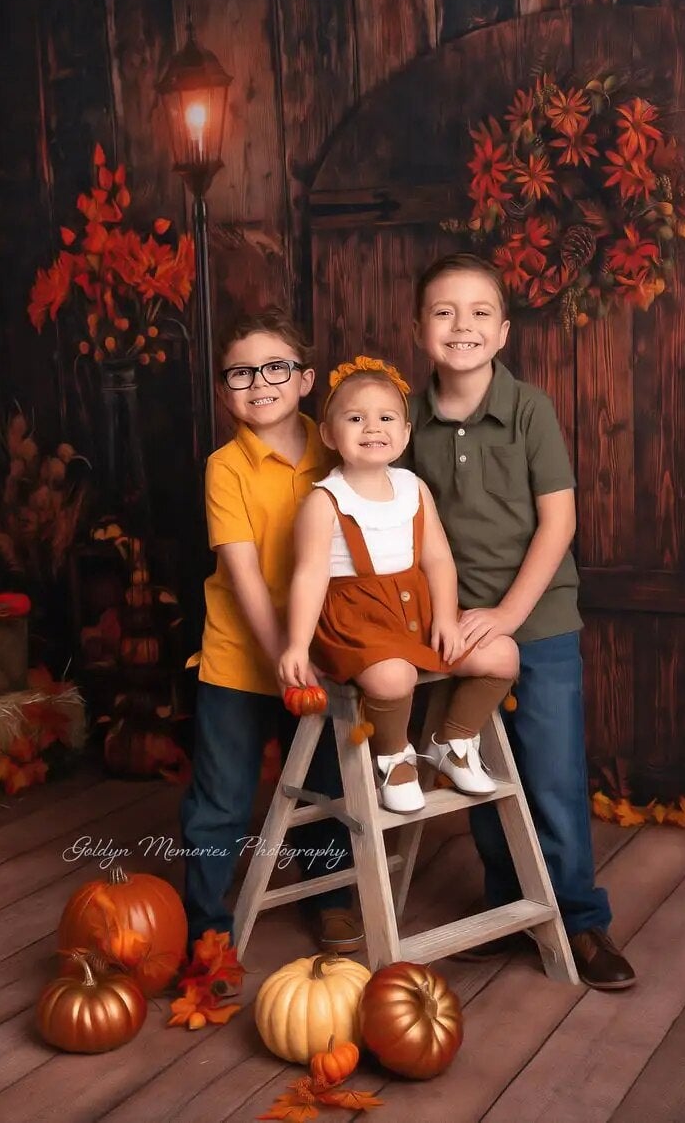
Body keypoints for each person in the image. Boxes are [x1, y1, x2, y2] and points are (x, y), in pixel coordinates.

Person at [406, 252, 637, 991]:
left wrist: (508, 613)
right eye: (444, 312)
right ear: (421, 329)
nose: (462, 326)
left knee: (551, 772)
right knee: (474, 764)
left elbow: (558, 523)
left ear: (503, 332)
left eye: (479, 313)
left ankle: (579, 918)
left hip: (536, 622)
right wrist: (449, 617)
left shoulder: (530, 408)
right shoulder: (404, 419)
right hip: (455, 627)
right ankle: (509, 903)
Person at [177, 308, 362, 957]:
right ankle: (205, 922)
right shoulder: (226, 467)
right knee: (222, 797)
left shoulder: (339, 449)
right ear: (227, 392)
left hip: (322, 652)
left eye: (276, 367)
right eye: (242, 373)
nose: (260, 382)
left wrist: (321, 649)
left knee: (326, 786)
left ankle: (332, 896)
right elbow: (245, 575)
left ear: (306, 379)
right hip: (241, 657)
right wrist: (284, 653)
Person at [279, 357, 518, 814]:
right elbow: (309, 576)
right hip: (356, 621)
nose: (373, 428)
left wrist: (446, 617)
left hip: (419, 614)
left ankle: (456, 740)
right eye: (355, 418)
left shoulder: (413, 488)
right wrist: (295, 644)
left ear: (405, 433)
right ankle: (393, 758)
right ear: (330, 434)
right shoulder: (324, 501)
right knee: (393, 676)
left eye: (386, 418)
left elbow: (439, 560)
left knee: (503, 654)